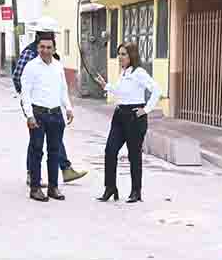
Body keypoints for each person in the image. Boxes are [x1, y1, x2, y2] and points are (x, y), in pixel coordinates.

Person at [12, 17, 87, 188]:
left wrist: (67, 107)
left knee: (53, 141)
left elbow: (61, 87)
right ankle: (34, 176)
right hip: (34, 104)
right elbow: (18, 77)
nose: (47, 47)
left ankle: (62, 170)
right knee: (36, 144)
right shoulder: (30, 55)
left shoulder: (55, 61)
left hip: (52, 107)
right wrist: (28, 99)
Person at [94, 42, 161, 203]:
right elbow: (121, 91)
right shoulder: (124, 73)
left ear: (132, 55)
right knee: (110, 151)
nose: (120, 57)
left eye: (124, 54)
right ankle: (110, 188)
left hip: (134, 117)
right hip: (119, 116)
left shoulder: (139, 72)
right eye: (119, 54)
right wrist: (106, 86)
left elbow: (156, 89)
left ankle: (136, 192)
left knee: (134, 155)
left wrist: (146, 109)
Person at [20, 35, 75, 202]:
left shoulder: (58, 66)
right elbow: (25, 93)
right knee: (37, 151)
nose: (45, 50)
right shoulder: (30, 67)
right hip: (38, 114)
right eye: (42, 47)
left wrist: (69, 108)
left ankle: (53, 187)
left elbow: (63, 89)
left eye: (48, 47)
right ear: (38, 48)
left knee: (55, 151)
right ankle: (35, 188)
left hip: (56, 114)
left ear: (54, 49)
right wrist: (29, 115)